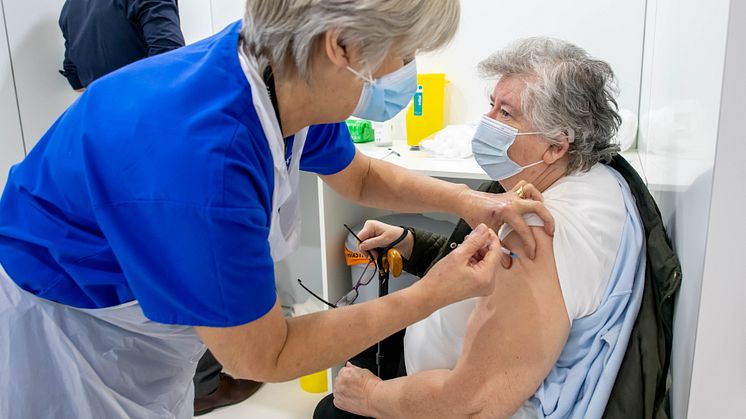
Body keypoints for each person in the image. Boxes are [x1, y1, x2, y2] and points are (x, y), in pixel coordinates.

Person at [0, 2, 554, 418]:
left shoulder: (281, 74)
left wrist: (470, 200)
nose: (406, 73)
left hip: (140, 327)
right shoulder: (203, 163)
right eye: (404, 56)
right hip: (68, 335)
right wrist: (433, 293)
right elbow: (263, 355)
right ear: (341, 47)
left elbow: (358, 174)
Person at [315, 37, 648, 419]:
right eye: (492, 104)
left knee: (332, 410)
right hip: (433, 360)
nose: (486, 122)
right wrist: (410, 243)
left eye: (506, 113)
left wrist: (373, 397)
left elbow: (474, 402)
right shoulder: (591, 180)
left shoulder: (537, 230)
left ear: (557, 145)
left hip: (443, 400)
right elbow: (480, 265)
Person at [59, 0, 255, 412]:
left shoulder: (71, 6)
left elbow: (76, 77)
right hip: (155, 152)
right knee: (190, 271)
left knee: (139, 279)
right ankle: (206, 385)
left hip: (106, 153)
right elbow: (173, 63)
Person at [58, 0, 185, 92]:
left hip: (105, 119)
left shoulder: (69, 7)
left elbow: (76, 81)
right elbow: (171, 59)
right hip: (149, 113)